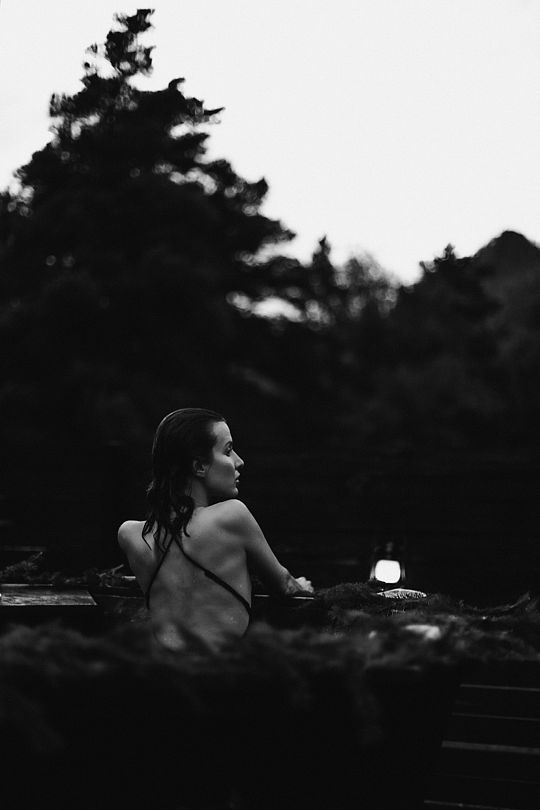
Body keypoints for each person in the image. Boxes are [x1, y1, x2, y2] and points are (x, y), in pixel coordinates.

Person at [118, 408, 314, 650]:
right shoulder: (232, 515)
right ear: (199, 466)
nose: (239, 461)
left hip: (163, 666)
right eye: (228, 451)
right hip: (218, 666)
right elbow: (285, 586)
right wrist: (302, 587)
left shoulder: (131, 535)